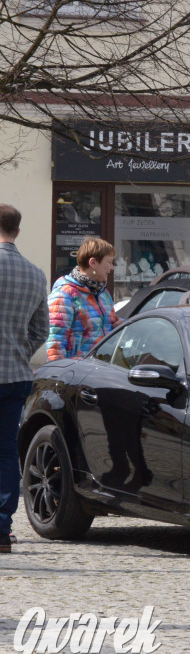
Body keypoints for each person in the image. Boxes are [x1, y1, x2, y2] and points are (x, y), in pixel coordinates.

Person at [0, 205, 48, 554]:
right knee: (5, 453)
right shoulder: (34, 274)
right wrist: (18, 349)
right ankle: (2, 529)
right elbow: (41, 330)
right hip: (15, 374)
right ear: (17, 229)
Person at [46, 237, 122, 361]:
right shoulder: (65, 294)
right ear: (93, 263)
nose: (111, 268)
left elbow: (110, 323)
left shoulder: (103, 293)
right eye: (109, 262)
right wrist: (59, 373)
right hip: (77, 374)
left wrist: (123, 326)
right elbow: (55, 343)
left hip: (103, 370)